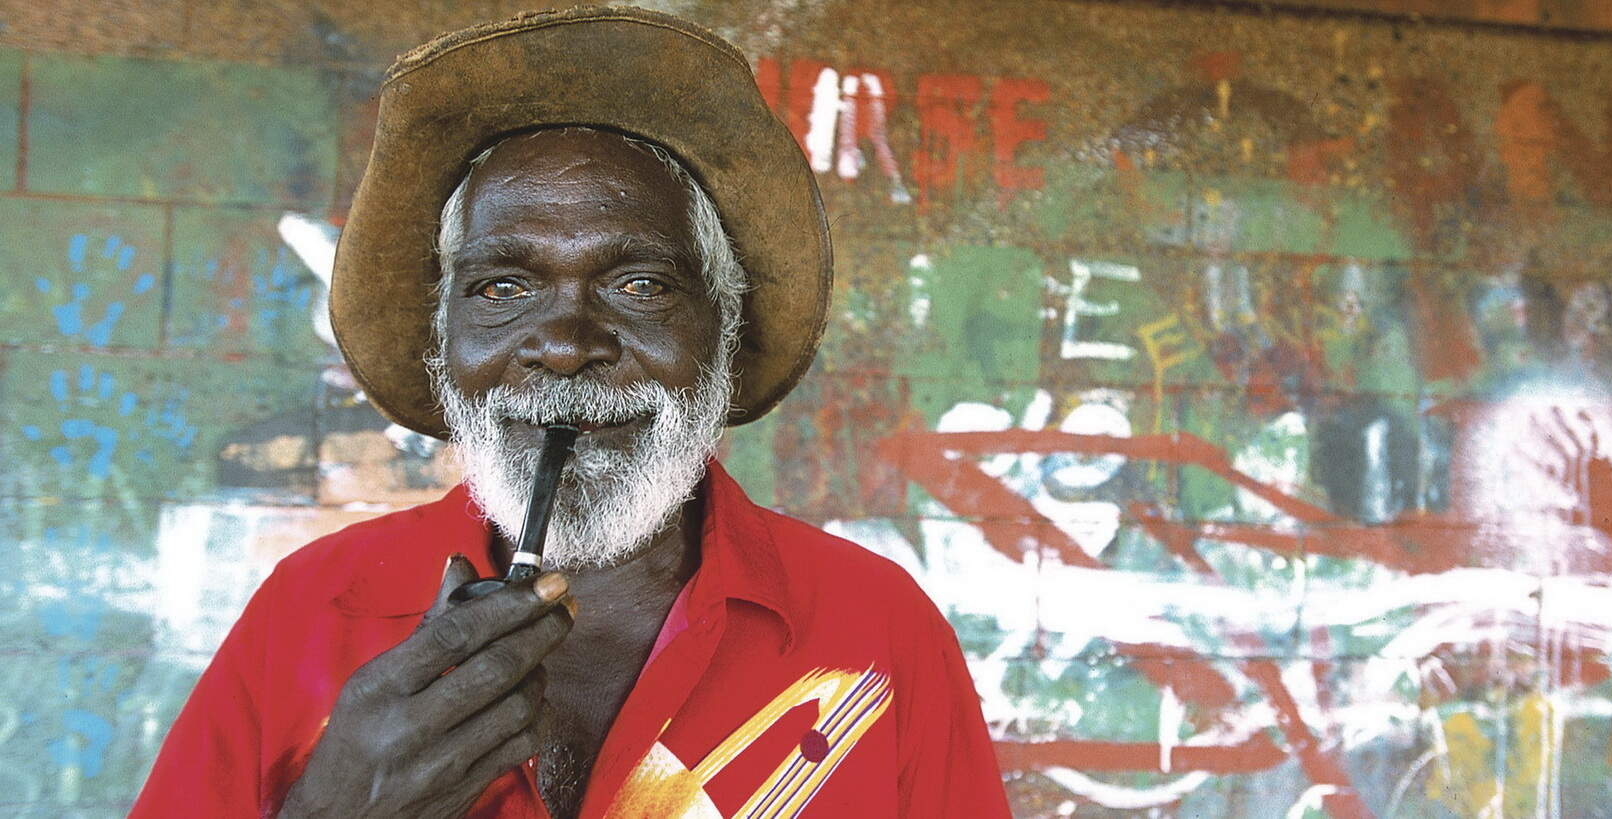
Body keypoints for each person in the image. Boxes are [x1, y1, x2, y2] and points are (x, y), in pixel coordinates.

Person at [133, 7, 1008, 818]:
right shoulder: (314, 608)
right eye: (503, 288)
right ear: (444, 346)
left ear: (723, 329)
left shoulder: (873, 627)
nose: (563, 343)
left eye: (638, 284)